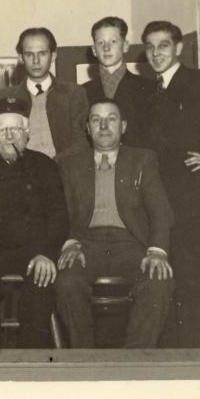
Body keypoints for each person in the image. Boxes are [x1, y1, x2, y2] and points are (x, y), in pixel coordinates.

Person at [55, 99, 175, 348]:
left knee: (159, 280)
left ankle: (135, 359)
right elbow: (60, 213)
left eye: (111, 119)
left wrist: (157, 251)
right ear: (88, 128)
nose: (104, 126)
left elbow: (160, 210)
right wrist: (69, 243)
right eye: (96, 120)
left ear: (123, 126)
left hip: (131, 244)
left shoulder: (143, 159)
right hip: (86, 244)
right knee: (66, 280)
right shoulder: (69, 164)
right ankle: (84, 358)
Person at [0, 97, 68, 348]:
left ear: (27, 133)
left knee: (40, 291)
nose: (9, 136)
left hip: (34, 250)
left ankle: (32, 365)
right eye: (2, 130)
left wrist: (47, 253)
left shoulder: (45, 166)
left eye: (16, 129)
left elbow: (58, 215)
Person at [142, 21, 200, 348]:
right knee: (167, 278)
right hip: (161, 199)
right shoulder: (150, 92)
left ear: (178, 48)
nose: (156, 53)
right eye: (150, 47)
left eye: (163, 45)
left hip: (193, 199)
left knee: (196, 279)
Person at [0, 27, 89, 161]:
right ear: (21, 58)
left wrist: (51, 165)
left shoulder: (73, 93)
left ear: (53, 56)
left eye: (42, 54)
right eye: (29, 54)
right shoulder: (5, 96)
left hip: (62, 169)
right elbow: (0, 143)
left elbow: (80, 141)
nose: (36, 61)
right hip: (20, 170)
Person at [82, 17, 153, 148]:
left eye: (113, 41)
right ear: (94, 50)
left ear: (125, 46)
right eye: (100, 43)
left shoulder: (149, 88)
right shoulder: (81, 92)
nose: (106, 48)